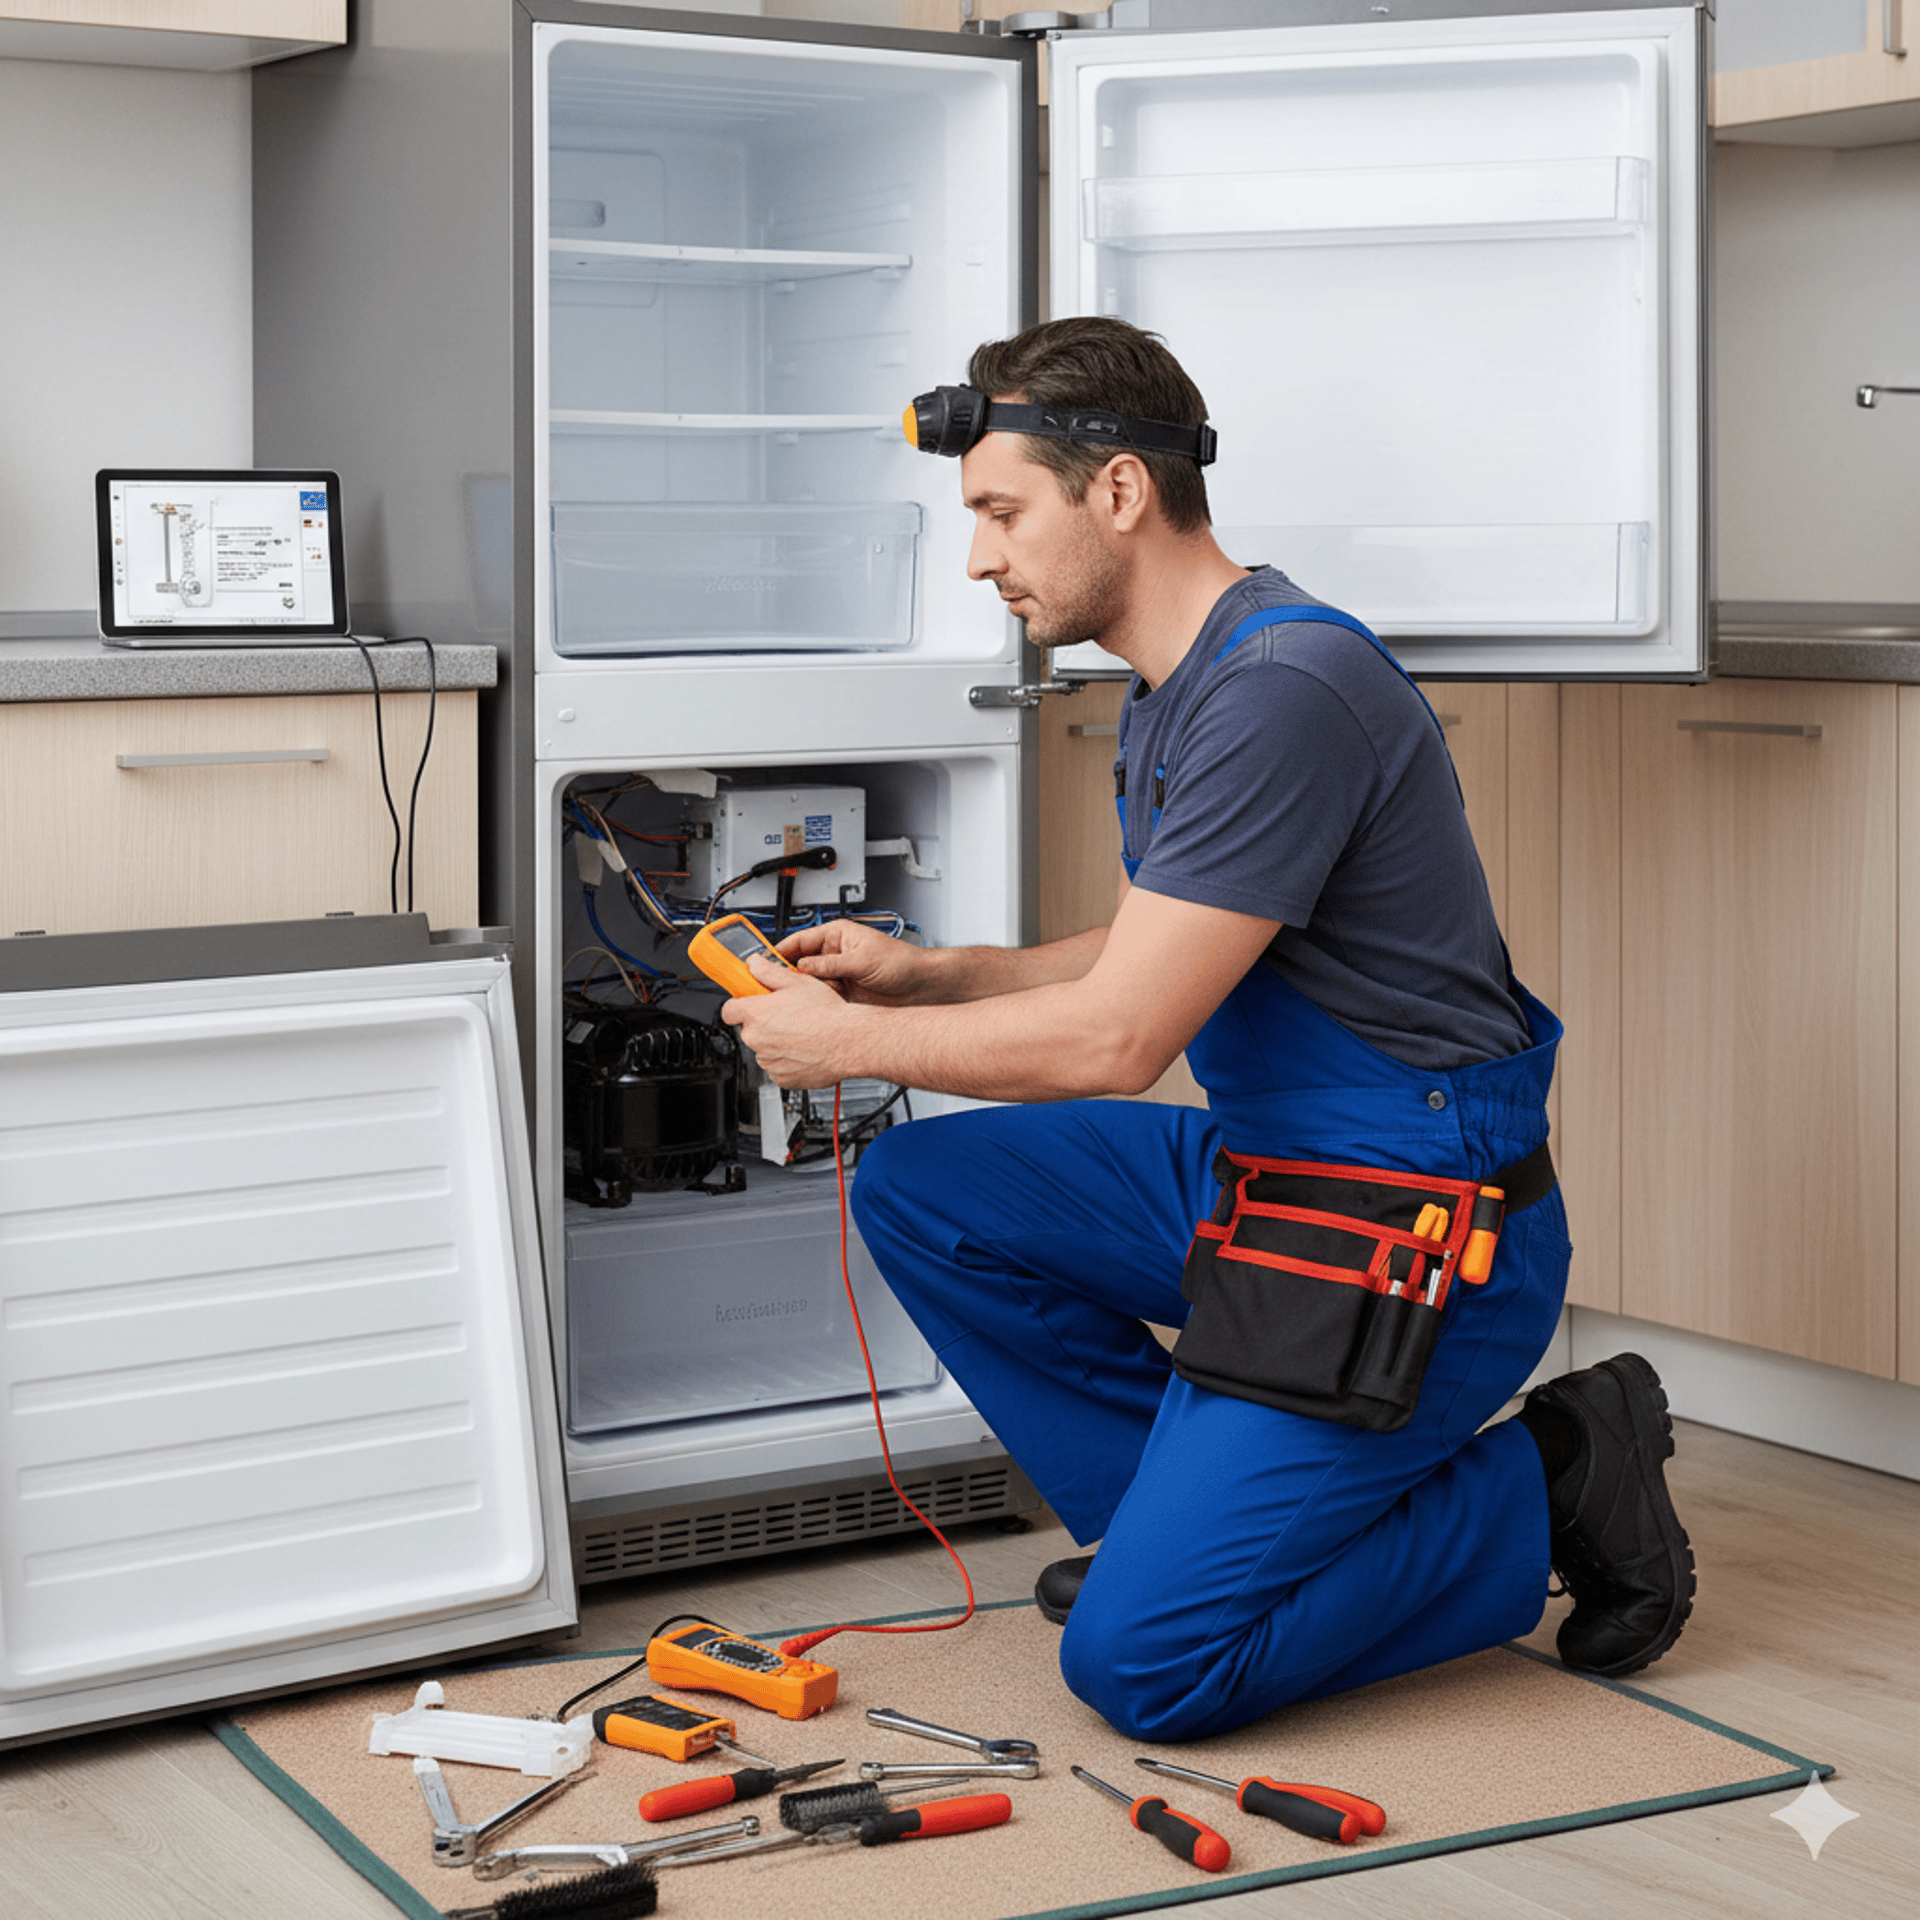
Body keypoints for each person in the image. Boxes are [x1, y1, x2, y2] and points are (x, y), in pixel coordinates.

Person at [722, 316, 1693, 1742]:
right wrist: (930, 978)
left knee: (1143, 1674)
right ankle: (1179, 1526)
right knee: (926, 1190)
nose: (980, 557)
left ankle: (1551, 1470)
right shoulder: (1181, 678)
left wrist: (847, 1048)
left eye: (999, 512)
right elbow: (1162, 947)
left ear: (1117, 489)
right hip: (1273, 1172)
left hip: (1421, 1223)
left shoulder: (1283, 691)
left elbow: (1117, 1042)